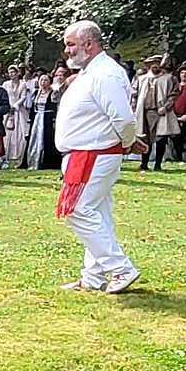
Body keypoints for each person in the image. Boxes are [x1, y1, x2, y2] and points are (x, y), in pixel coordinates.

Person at [56, 21, 143, 294]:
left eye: (71, 44)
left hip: (94, 154)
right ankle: (93, 277)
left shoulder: (105, 74)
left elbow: (123, 118)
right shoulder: (89, 73)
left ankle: (121, 268)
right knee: (98, 213)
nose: (67, 50)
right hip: (85, 153)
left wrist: (128, 142)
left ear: (89, 44)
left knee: (79, 210)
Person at [132, 55, 179, 171]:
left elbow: (174, 94)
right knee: (144, 138)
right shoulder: (141, 78)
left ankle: (158, 164)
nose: (155, 66)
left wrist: (166, 107)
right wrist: (133, 109)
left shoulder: (169, 78)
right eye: (153, 64)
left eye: (157, 63)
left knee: (161, 139)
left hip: (160, 112)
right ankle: (144, 163)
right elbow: (134, 95)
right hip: (144, 112)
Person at [26, 73, 63, 170]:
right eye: (41, 80)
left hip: (47, 119)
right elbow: (32, 108)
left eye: (45, 80)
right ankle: (33, 160)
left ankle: (46, 162)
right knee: (34, 139)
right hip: (37, 119)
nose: (43, 82)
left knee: (47, 140)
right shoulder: (36, 93)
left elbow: (56, 107)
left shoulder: (53, 93)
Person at [2, 65, 32, 168]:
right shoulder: (6, 84)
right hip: (8, 110)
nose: (12, 75)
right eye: (10, 73)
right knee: (6, 132)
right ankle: (6, 154)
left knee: (21, 133)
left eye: (13, 72)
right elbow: (3, 96)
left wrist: (16, 105)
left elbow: (23, 97)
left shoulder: (23, 84)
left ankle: (19, 154)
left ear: (17, 73)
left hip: (19, 110)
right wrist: (8, 105)